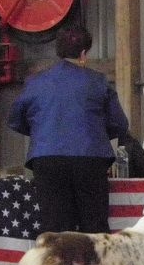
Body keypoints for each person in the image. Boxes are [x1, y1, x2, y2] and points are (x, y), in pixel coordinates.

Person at [7, 24, 129, 234]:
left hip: (47, 159)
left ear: (58, 51)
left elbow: (16, 120)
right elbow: (119, 124)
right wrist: (96, 134)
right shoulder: (98, 82)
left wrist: (43, 132)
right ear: (83, 54)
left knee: (55, 230)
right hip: (90, 158)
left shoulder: (35, 82)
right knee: (94, 229)